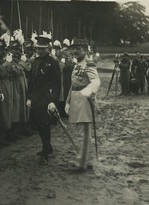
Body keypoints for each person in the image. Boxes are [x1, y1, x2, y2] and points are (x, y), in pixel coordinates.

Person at [64, 39, 101, 173]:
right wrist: (68, 101)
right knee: (83, 133)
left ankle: (81, 164)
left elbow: (96, 82)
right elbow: (73, 85)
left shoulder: (89, 64)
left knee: (83, 134)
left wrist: (88, 92)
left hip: (84, 101)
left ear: (85, 50)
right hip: (76, 99)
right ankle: (88, 161)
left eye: (78, 49)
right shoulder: (78, 64)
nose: (74, 51)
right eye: (73, 49)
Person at [27, 35, 61, 164]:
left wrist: (53, 101)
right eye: (38, 48)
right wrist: (29, 97)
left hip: (46, 98)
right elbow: (31, 81)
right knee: (38, 125)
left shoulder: (52, 62)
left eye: (42, 49)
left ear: (48, 48)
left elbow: (57, 85)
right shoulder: (35, 61)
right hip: (35, 98)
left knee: (45, 125)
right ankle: (48, 147)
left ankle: (45, 153)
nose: (40, 51)